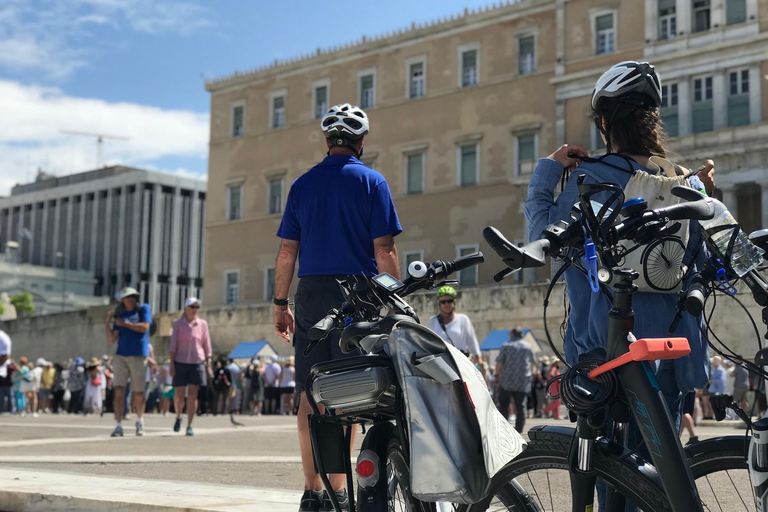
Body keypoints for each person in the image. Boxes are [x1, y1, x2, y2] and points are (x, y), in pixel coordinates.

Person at [525, 60, 713, 419]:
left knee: (610, 468)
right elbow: (698, 263)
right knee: (661, 468)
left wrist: (548, 169)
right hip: (671, 348)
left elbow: (542, 242)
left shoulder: (592, 177)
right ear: (653, 121)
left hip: (606, 351)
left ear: (605, 124)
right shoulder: (687, 183)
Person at [273, 102, 401, 512]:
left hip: (310, 294)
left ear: (327, 142)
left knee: (310, 393)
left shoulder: (301, 185)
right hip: (357, 294)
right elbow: (385, 249)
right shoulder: (372, 182)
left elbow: (286, 253)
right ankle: (339, 489)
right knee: (346, 392)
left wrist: (280, 303)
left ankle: (312, 492)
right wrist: (396, 299)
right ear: (361, 142)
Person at [105, 286, 153, 437]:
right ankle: (118, 425)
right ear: (123, 300)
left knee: (139, 393)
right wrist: (107, 323)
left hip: (139, 355)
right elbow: (111, 339)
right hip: (121, 356)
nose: (131, 299)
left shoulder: (143, 310)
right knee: (119, 390)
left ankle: (140, 420)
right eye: (128, 297)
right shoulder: (120, 315)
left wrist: (124, 323)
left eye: (133, 297)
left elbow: (144, 327)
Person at [169, 297, 212, 436]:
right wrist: (171, 364)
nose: (194, 310)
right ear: (186, 309)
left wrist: (209, 364)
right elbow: (172, 346)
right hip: (180, 361)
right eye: (192, 307)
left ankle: (190, 424)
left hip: (197, 361)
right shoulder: (178, 324)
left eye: (196, 307)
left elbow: (207, 345)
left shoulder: (203, 324)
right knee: (179, 394)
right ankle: (179, 416)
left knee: (193, 395)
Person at [494, 327, 536, 433]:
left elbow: (499, 362)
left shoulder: (506, 346)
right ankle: (519, 430)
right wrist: (531, 373)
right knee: (521, 406)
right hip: (522, 381)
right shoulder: (528, 346)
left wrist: (497, 375)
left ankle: (504, 429)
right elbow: (533, 362)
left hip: (506, 380)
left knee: (503, 404)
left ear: (512, 334)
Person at [426, 286, 481, 357]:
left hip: (460, 360)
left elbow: (472, 342)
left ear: (454, 302)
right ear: (439, 304)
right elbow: (428, 343)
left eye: (449, 301)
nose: (446, 304)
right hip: (441, 361)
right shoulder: (433, 321)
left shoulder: (463, 319)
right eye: (443, 302)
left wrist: (478, 357)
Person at [0, 330, 14, 414]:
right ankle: (2, 410)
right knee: (3, 399)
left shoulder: (3, 338)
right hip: (2, 385)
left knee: (10, 398)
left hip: (7, 385)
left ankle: (11, 410)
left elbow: (5, 355)